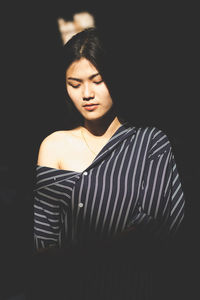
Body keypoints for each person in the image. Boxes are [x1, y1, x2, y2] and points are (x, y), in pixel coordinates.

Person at [31, 27, 185, 299]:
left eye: (97, 80)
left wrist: (78, 254)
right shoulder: (54, 145)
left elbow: (153, 232)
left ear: (116, 76)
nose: (86, 94)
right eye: (74, 84)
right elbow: (44, 241)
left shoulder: (150, 143)